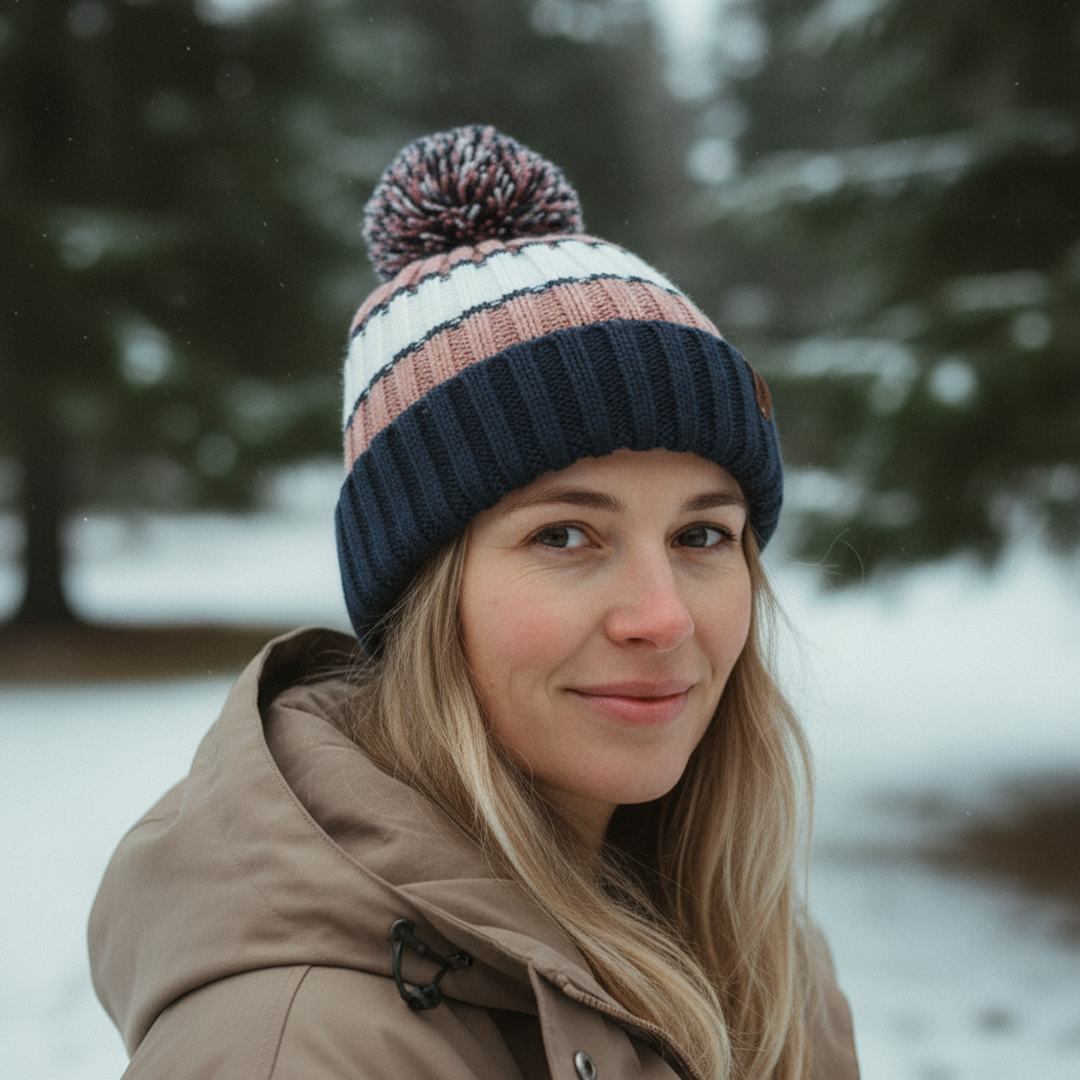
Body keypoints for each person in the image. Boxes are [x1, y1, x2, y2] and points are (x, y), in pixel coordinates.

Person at [89, 126, 859, 1080]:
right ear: (423, 592)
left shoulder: (758, 955)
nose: (662, 618)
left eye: (701, 535)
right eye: (564, 536)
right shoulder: (299, 1050)